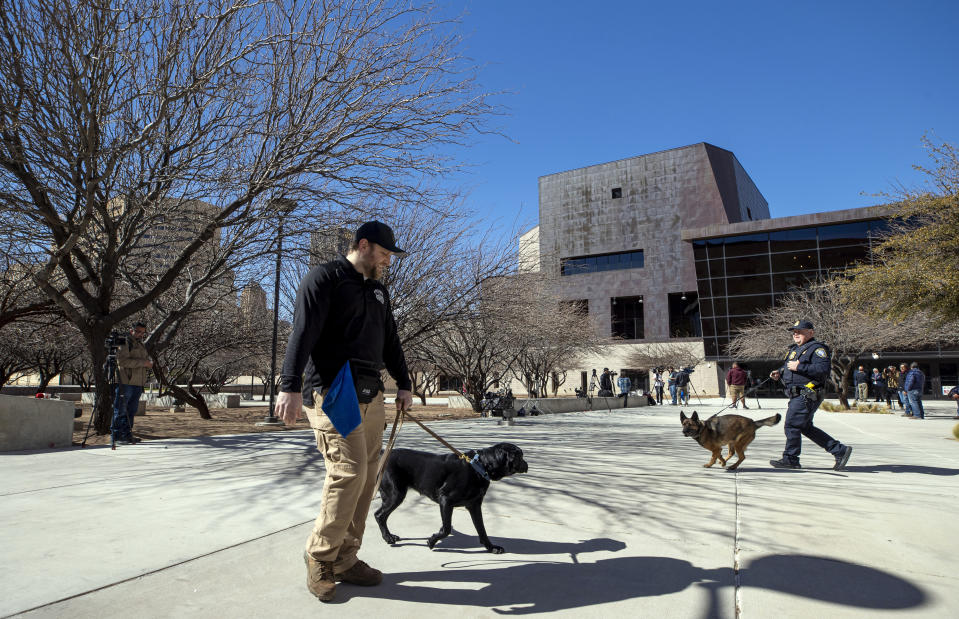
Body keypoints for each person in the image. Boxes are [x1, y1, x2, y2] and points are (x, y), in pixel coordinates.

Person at [275, 220, 413, 603]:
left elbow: (391, 342)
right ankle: (319, 556)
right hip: (334, 390)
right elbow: (302, 331)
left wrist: (404, 383)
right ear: (364, 245)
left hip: (372, 393)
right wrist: (288, 385)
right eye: (385, 254)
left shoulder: (379, 292)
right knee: (348, 473)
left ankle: (346, 558)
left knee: (368, 477)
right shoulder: (325, 278)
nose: (388, 261)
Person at [769, 319, 852, 470]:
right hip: (797, 394)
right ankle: (839, 450)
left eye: (799, 331)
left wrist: (800, 366)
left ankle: (791, 459)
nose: (796, 334)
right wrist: (779, 373)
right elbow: (788, 367)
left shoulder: (817, 349)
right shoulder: (794, 349)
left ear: (810, 333)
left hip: (808, 392)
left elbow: (823, 371)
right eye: (794, 332)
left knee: (792, 424)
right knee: (805, 427)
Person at [113, 321, 153, 444]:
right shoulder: (125, 342)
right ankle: (117, 436)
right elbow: (122, 361)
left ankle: (127, 434)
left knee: (131, 410)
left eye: (142, 332)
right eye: (137, 331)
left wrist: (148, 364)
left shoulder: (141, 345)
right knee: (121, 410)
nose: (140, 334)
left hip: (137, 382)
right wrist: (143, 363)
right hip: (126, 382)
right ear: (131, 330)